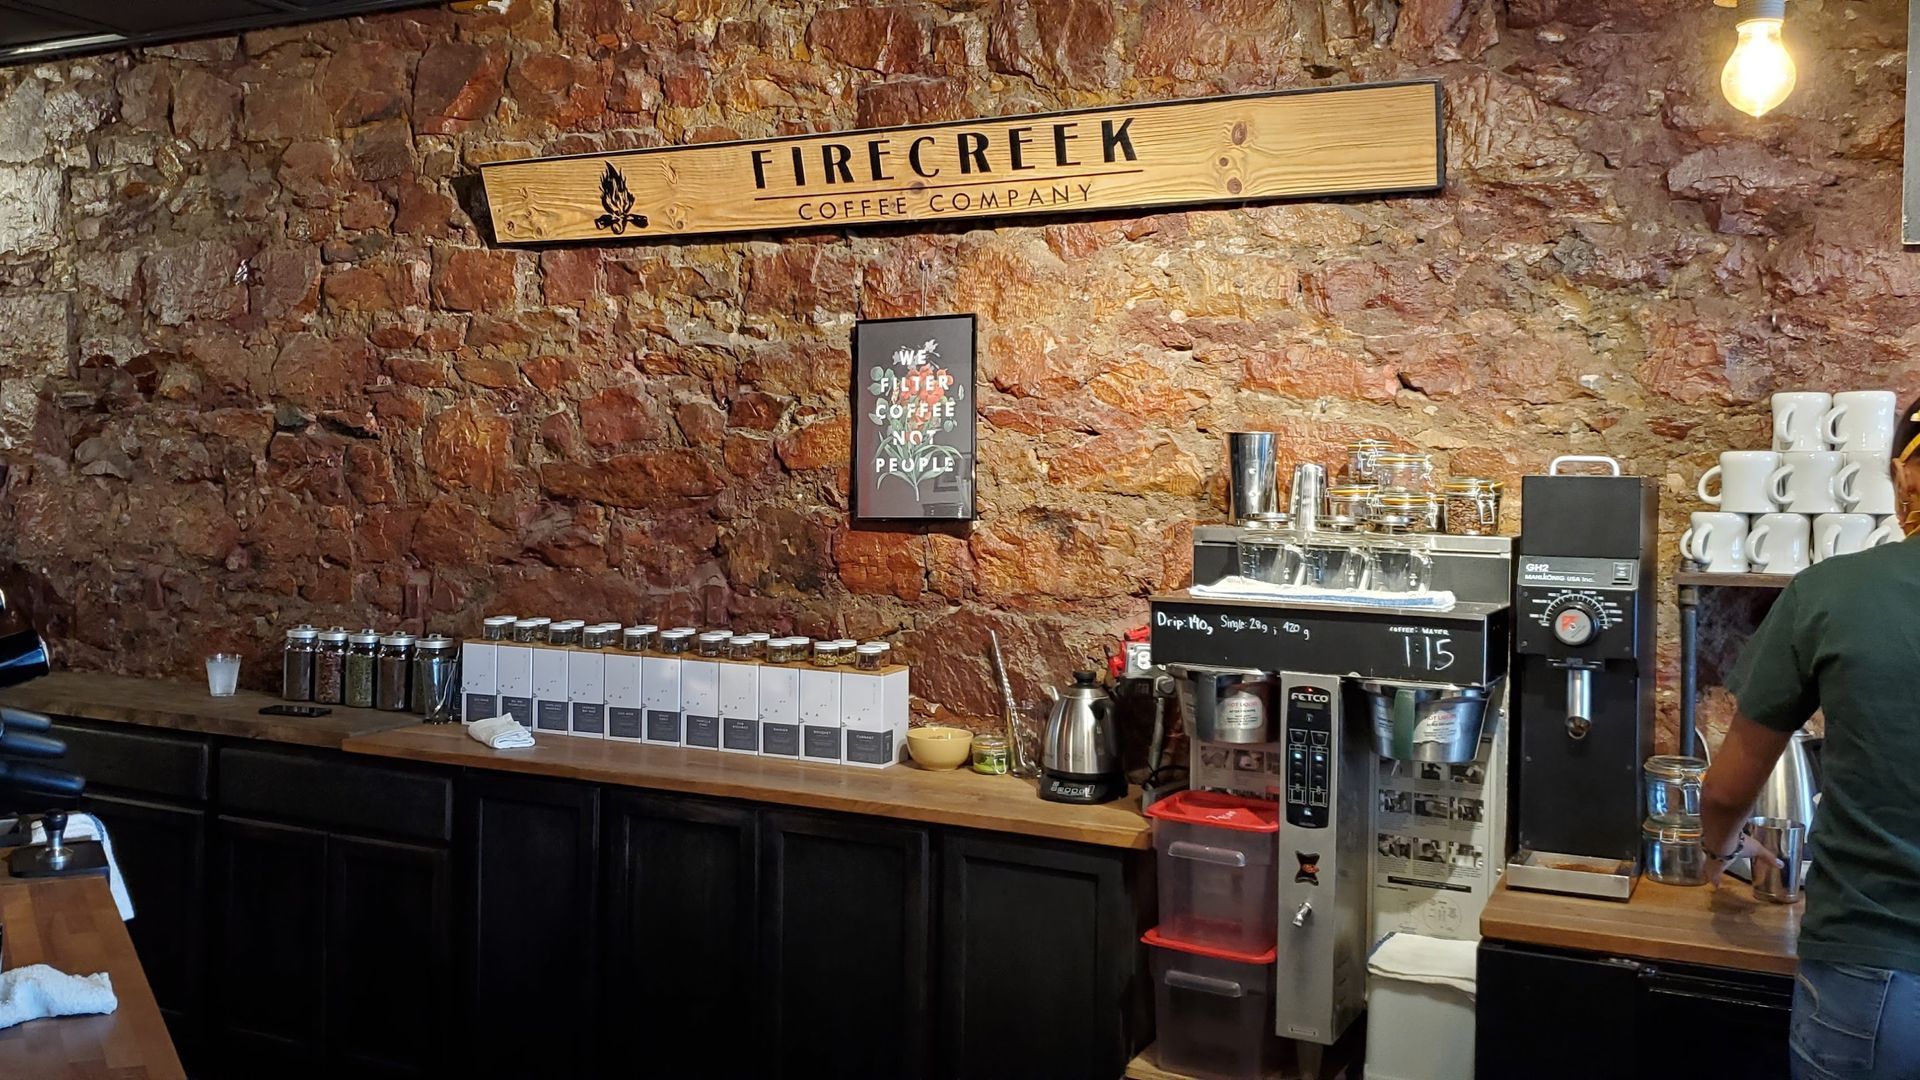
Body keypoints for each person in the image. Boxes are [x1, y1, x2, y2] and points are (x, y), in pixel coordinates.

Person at [1702, 395, 1920, 1080]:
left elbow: (1729, 786)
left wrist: (1721, 847)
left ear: (1905, 478)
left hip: (1872, 970)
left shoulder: (1834, 592)